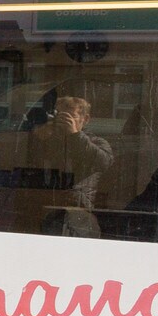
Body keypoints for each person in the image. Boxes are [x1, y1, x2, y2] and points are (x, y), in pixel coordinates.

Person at [16, 95, 112, 235]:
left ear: (85, 119)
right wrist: (38, 136)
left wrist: (75, 135)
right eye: (60, 116)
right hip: (43, 210)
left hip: (79, 213)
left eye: (70, 116)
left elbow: (104, 163)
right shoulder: (48, 139)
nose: (63, 120)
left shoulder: (96, 142)